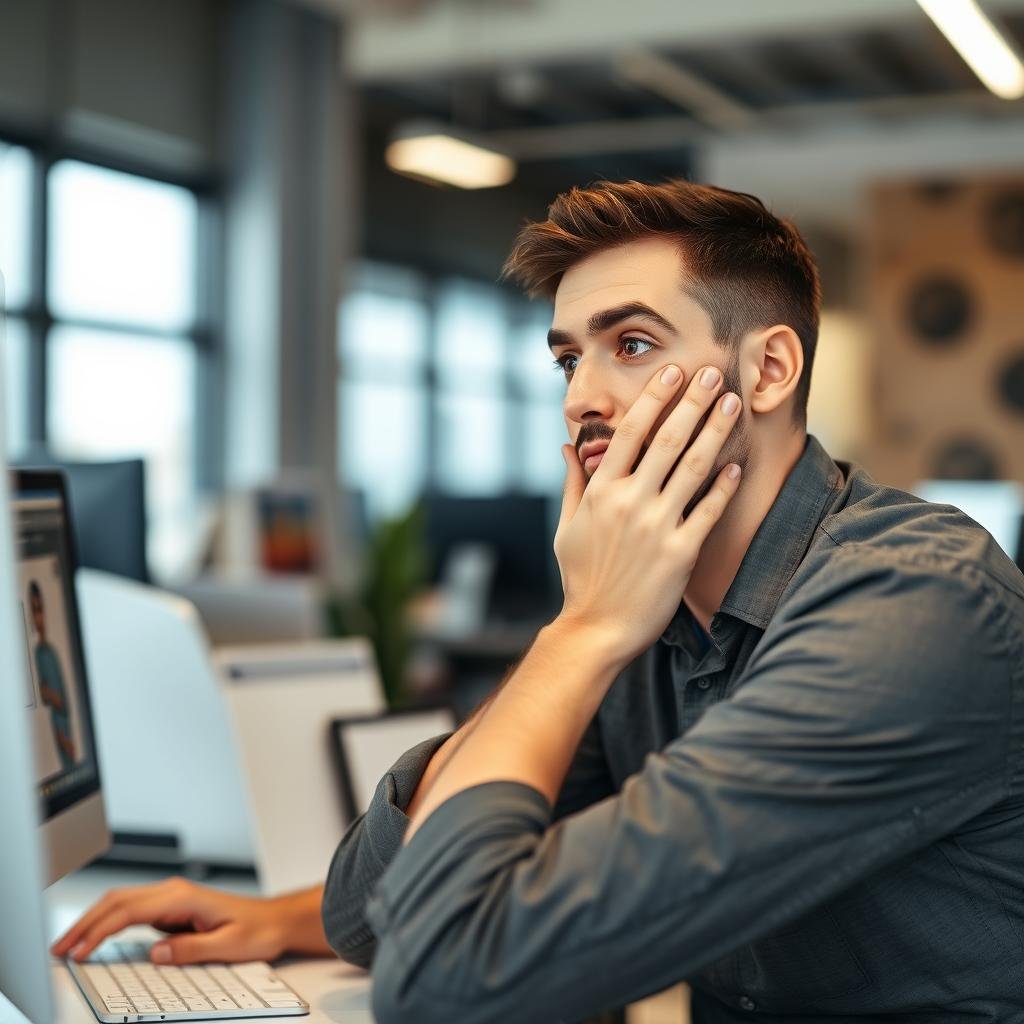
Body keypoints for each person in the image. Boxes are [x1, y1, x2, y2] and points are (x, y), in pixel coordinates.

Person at [53, 180, 1024, 1023]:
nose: (580, 400)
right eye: (569, 359)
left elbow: (448, 981)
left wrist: (580, 629)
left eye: (631, 344)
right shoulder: (658, 611)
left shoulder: (913, 605)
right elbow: (368, 908)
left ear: (767, 370)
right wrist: (284, 917)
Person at [29, 580, 76, 771]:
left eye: (40, 609)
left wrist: (52, 696)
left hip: (63, 724)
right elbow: (43, 695)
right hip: (54, 724)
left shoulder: (52, 653)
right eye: (34, 610)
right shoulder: (37, 653)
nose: (38, 616)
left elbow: (62, 700)